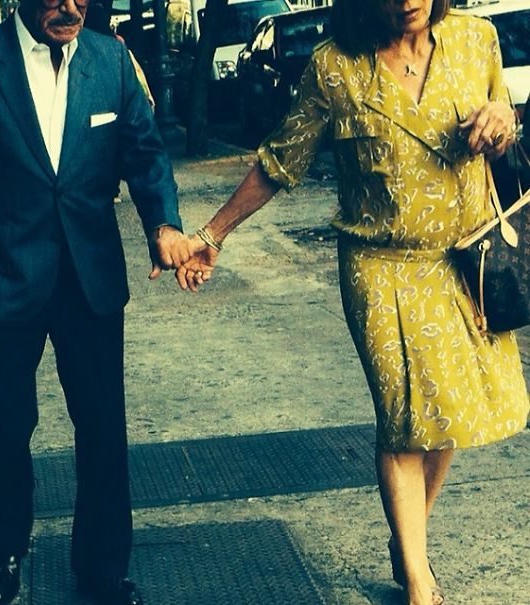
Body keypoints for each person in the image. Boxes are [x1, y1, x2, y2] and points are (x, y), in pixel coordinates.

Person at [176, 1, 530, 604]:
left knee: (446, 413)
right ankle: (418, 580)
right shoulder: (334, 66)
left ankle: (407, 538)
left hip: (463, 261)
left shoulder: (478, 41)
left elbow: (505, 137)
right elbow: (280, 161)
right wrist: (213, 235)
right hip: (380, 268)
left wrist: (503, 121)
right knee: (404, 416)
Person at [0, 0, 192, 604]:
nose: (70, 6)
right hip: (5, 276)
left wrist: (163, 224)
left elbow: (145, 153)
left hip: (88, 279)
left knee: (102, 426)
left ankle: (102, 567)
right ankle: (6, 546)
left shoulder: (111, 61)